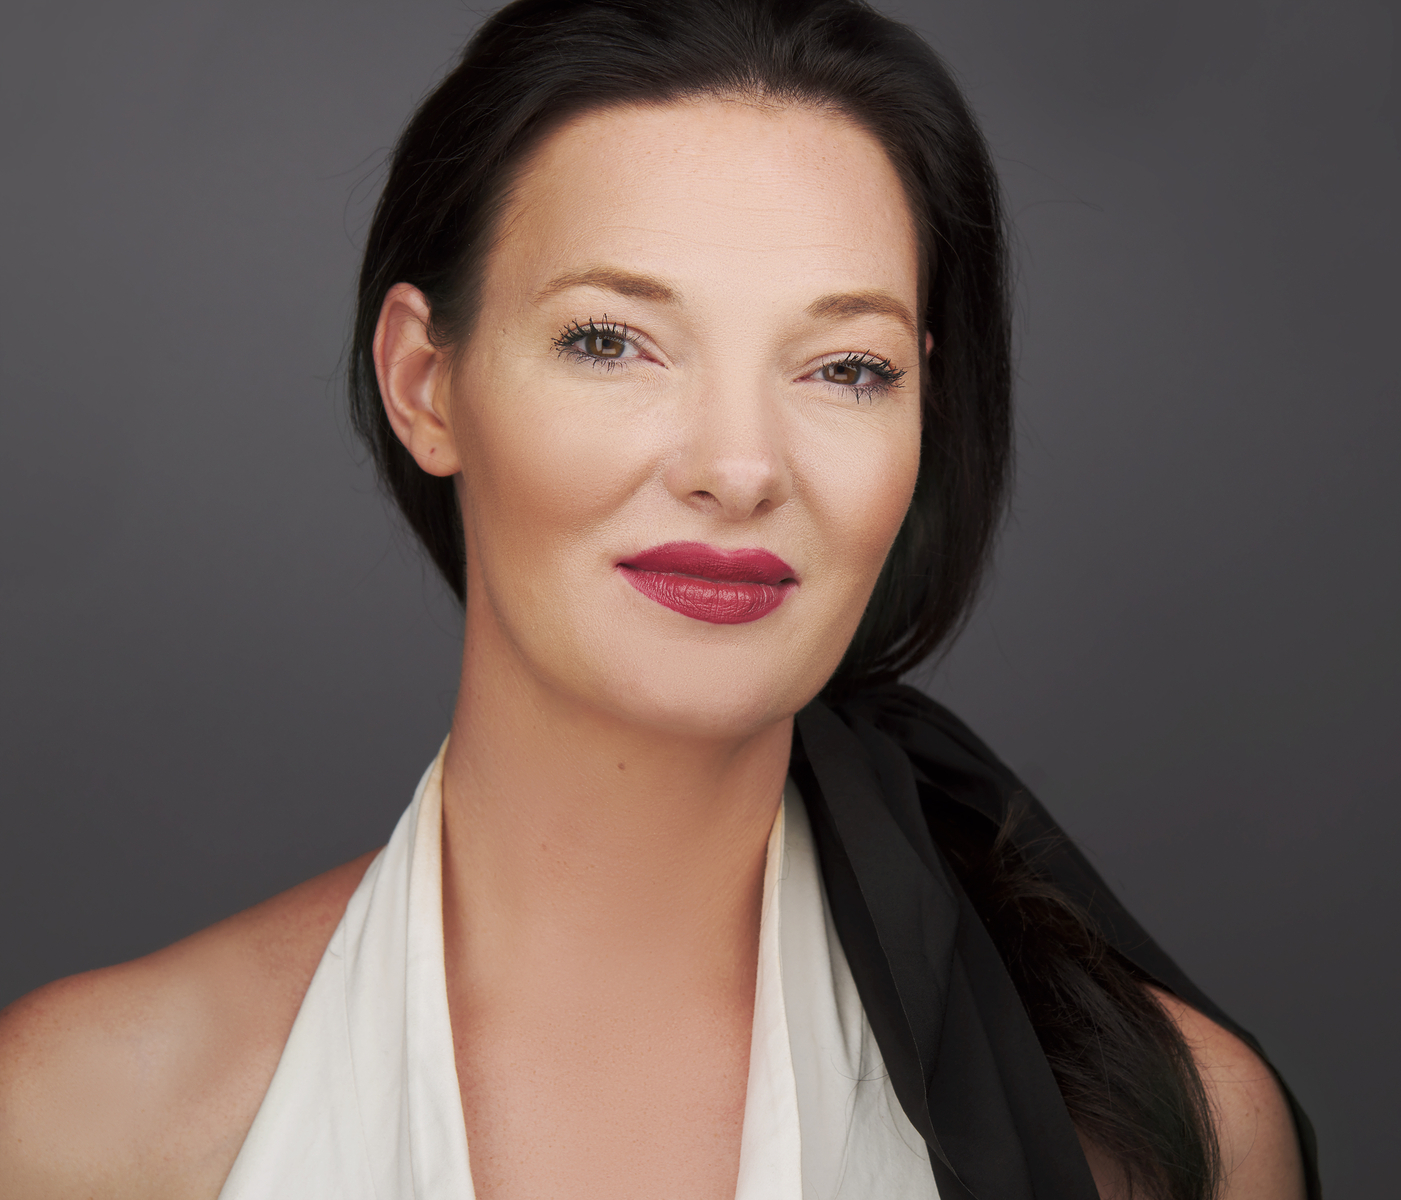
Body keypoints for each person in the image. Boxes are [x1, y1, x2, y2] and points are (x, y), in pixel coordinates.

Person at [0, 2, 1318, 1197]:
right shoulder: (80, 1127)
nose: (739, 468)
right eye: (609, 341)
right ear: (423, 382)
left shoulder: (1169, 1140)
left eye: (846, 368)